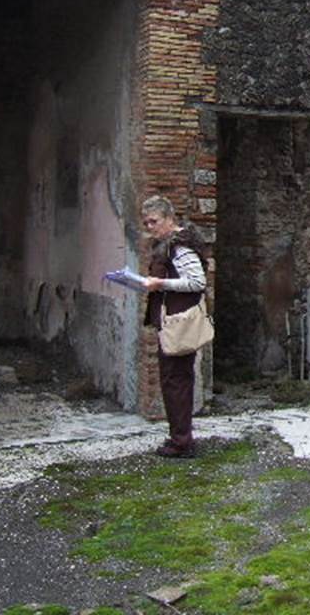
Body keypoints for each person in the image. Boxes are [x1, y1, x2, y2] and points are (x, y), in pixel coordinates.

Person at [140, 195, 208, 458]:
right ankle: (179, 436)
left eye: (154, 221)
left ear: (169, 218)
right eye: (146, 222)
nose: (150, 227)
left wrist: (161, 284)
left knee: (176, 379)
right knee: (173, 379)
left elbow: (197, 281)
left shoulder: (180, 247)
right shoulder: (168, 245)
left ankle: (182, 441)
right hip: (170, 321)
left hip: (179, 323)